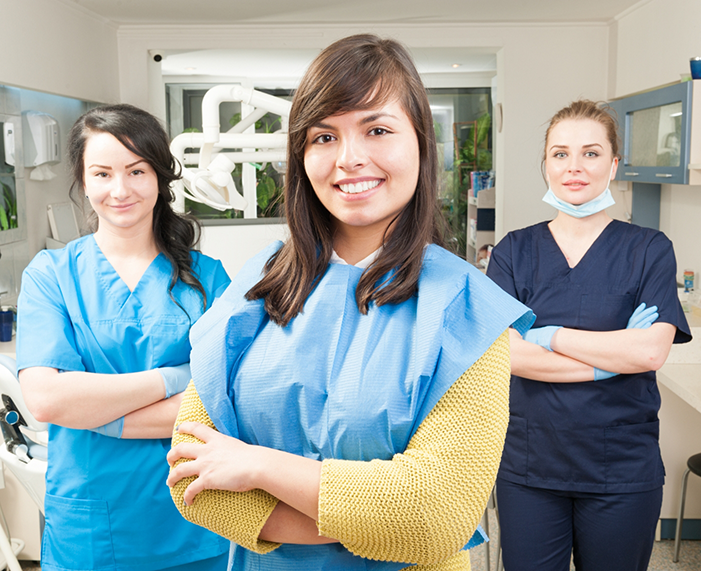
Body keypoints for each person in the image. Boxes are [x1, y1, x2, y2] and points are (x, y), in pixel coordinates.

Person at [165, 34, 534, 571]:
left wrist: (258, 467)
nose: (350, 159)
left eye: (378, 130)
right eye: (323, 136)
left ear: (421, 143)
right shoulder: (260, 284)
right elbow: (191, 480)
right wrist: (366, 518)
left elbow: (433, 521)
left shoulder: (466, 308)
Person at [17, 104, 231, 571]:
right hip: (91, 523)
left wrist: (99, 415)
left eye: (137, 170)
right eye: (102, 173)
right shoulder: (52, 276)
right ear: (83, 180)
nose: (120, 190)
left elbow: (223, 401)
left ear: (159, 177)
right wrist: (176, 377)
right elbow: (48, 400)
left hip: (191, 515)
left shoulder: (208, 280)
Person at [486, 100, 692, 571]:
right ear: (545, 164)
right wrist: (611, 357)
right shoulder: (515, 251)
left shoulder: (648, 249)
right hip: (530, 466)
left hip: (621, 466)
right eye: (560, 154)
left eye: (591, 153)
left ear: (614, 164)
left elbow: (650, 350)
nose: (574, 167)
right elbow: (506, 356)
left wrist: (548, 334)